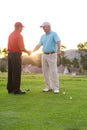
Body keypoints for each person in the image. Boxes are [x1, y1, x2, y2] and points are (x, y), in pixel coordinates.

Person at [32, 22, 61, 94]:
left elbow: (58, 41)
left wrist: (59, 50)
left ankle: (56, 88)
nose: (43, 29)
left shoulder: (54, 34)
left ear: (48, 26)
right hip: (44, 55)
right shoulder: (42, 36)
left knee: (53, 71)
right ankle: (48, 87)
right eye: (42, 27)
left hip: (52, 54)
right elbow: (39, 45)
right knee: (45, 71)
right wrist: (32, 51)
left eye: (44, 27)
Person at [7, 22, 31, 94]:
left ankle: (10, 89)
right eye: (22, 27)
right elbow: (21, 48)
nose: (22, 29)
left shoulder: (11, 35)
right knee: (16, 72)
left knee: (11, 72)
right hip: (16, 55)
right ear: (18, 27)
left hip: (10, 55)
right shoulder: (19, 35)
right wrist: (28, 52)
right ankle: (16, 90)